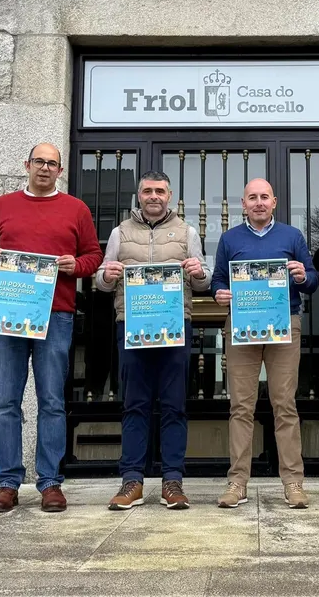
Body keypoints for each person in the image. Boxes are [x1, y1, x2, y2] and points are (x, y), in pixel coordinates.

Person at [0, 143, 102, 513]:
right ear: (26, 165)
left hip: (56, 314)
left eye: (52, 163)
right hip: (9, 314)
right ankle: (7, 483)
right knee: (5, 401)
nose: (45, 168)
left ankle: (50, 483)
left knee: (52, 401)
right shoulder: (3, 206)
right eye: (39, 162)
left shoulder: (75, 209)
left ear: (60, 170)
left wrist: (73, 266)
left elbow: (92, 256)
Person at [96, 171, 211, 510]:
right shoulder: (120, 232)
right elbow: (101, 280)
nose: (153, 196)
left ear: (170, 195)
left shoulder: (187, 232)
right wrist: (107, 275)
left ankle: (172, 482)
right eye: (147, 191)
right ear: (139, 195)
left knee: (174, 405)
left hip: (175, 328)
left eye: (160, 190)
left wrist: (198, 272)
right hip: (131, 328)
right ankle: (131, 480)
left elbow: (203, 281)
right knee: (135, 404)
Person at [211, 178, 319, 509]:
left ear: (274, 202)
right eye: (252, 198)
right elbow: (217, 279)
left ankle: (293, 483)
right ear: (243, 204)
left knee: (284, 404)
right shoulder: (230, 239)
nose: (259, 203)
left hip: (285, 325)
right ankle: (237, 482)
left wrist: (302, 275)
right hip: (242, 327)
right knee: (241, 406)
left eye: (264, 197)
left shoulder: (292, 236)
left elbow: (312, 281)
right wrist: (219, 293)